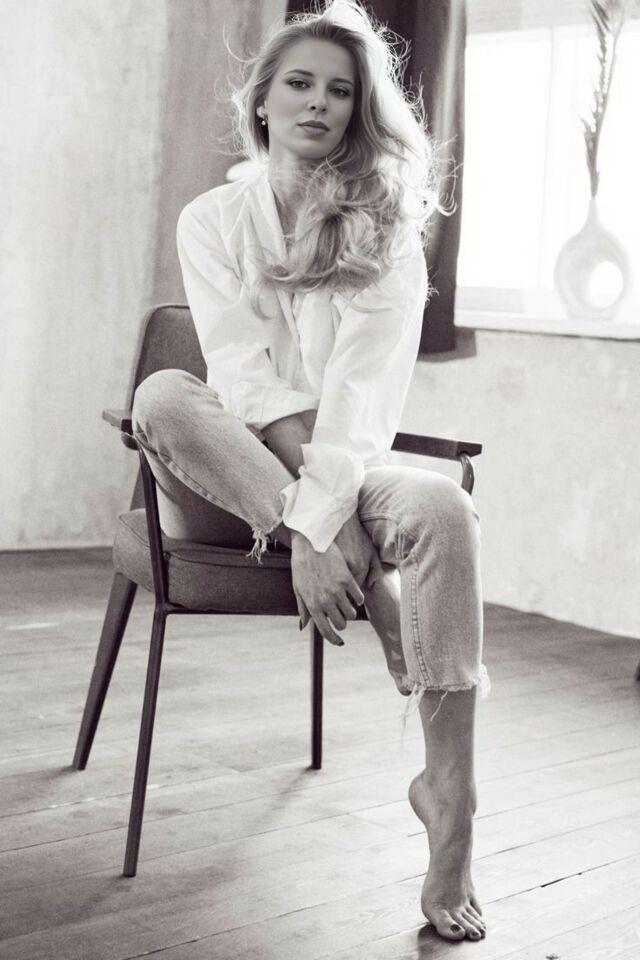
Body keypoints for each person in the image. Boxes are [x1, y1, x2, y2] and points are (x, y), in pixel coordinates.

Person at [131, 0, 490, 943]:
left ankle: (450, 794)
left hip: (344, 467)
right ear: (262, 100)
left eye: (340, 90)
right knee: (166, 395)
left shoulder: (388, 232)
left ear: (360, 112)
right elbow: (242, 381)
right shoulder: (212, 219)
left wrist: (326, 518)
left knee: (443, 507)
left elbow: (361, 405)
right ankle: (369, 591)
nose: (319, 102)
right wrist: (315, 523)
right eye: (300, 82)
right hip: (231, 480)